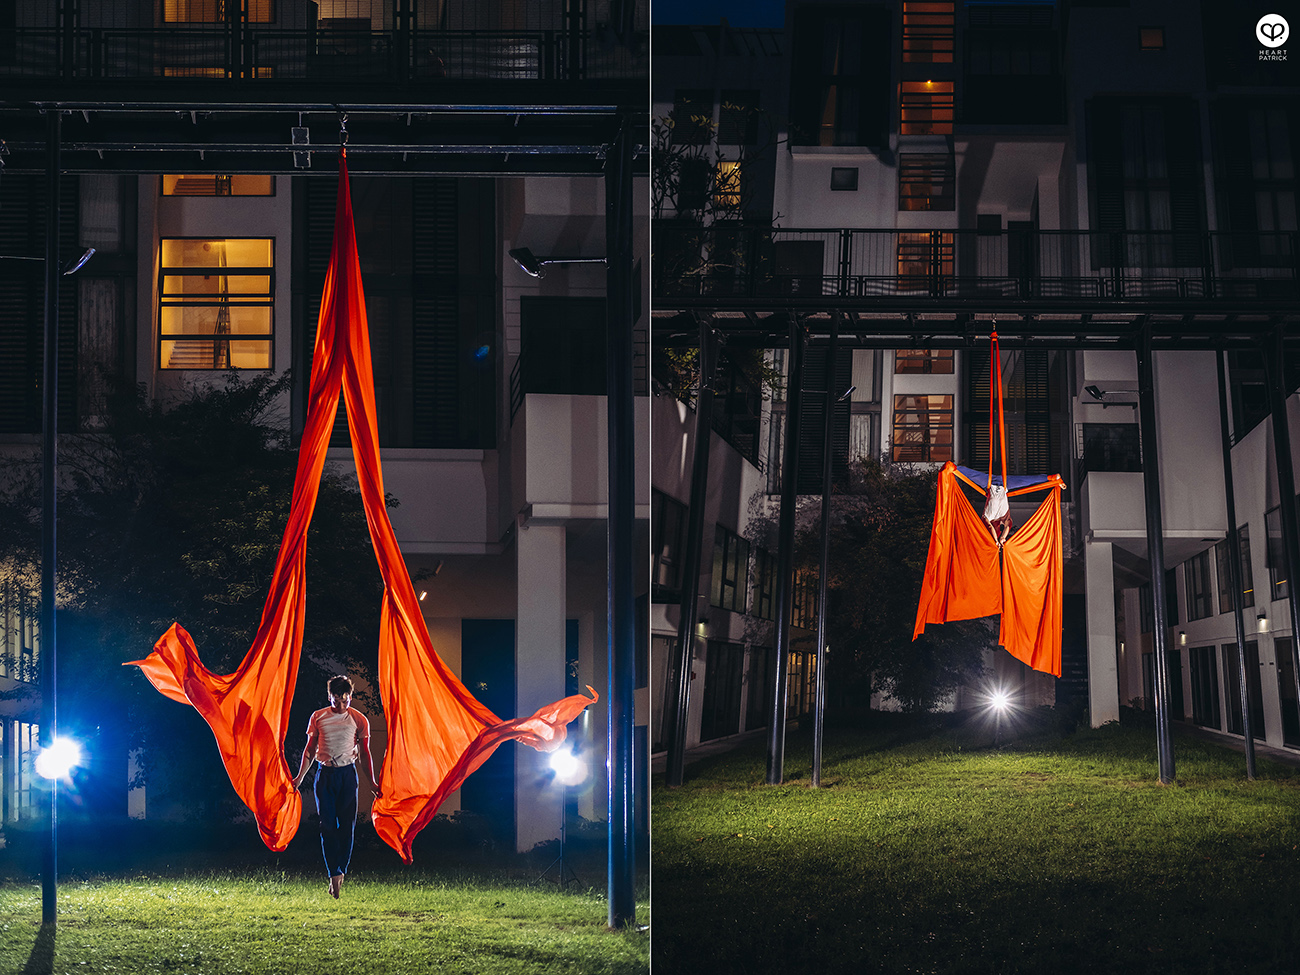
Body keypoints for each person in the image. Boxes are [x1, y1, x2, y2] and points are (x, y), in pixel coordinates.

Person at [293, 675, 382, 899]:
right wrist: (299, 778)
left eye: (345, 700)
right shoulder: (318, 717)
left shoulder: (359, 720)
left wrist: (372, 782)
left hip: (347, 775)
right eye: (336, 701)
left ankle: (341, 869)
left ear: (350, 696)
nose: (341, 705)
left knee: (347, 827)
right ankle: (333, 873)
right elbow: (309, 750)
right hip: (325, 775)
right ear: (329, 697)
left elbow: (365, 754)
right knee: (327, 826)